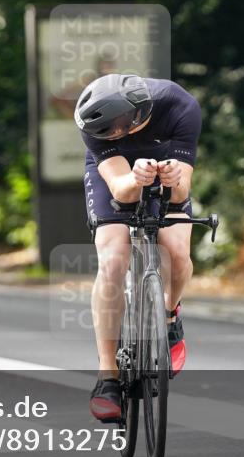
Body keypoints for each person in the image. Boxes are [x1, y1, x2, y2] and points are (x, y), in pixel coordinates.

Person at [74, 73, 201, 422]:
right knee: (113, 260)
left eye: (112, 130)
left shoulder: (180, 106)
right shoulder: (93, 120)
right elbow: (119, 189)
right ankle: (107, 376)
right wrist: (135, 177)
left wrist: (172, 179)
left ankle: (169, 316)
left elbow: (182, 192)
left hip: (167, 168)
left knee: (177, 253)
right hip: (120, 176)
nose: (105, 136)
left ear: (133, 118)